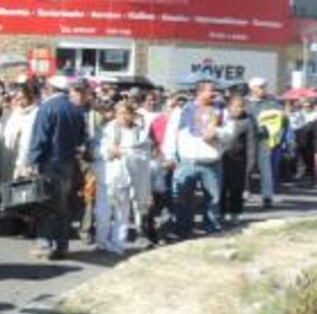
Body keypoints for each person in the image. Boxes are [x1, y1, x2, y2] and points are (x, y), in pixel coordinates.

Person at [23, 77, 88, 259]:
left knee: (46, 203)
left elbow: (40, 138)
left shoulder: (47, 107)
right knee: (62, 204)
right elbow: (81, 139)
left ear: (50, 88)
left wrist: (30, 161)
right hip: (68, 162)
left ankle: (44, 243)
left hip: (49, 162)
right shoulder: (76, 109)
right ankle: (62, 245)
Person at [162, 80, 231, 237]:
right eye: (210, 91)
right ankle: (183, 230)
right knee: (183, 199)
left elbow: (229, 134)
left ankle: (212, 229)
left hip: (211, 162)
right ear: (199, 92)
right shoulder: (182, 111)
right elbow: (171, 135)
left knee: (213, 200)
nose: (214, 94)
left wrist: (218, 134)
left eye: (214, 90)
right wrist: (170, 156)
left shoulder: (221, 112)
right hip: (187, 162)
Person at [94, 101, 151, 254]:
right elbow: (95, 150)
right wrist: (108, 152)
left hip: (126, 178)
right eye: (120, 113)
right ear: (115, 113)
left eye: (127, 113)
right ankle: (101, 241)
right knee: (102, 213)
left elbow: (144, 155)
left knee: (122, 214)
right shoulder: (106, 129)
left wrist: (125, 153)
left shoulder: (140, 133)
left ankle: (118, 243)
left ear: (133, 115)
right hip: (107, 176)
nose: (124, 117)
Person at [247, 78, 283, 208]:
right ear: (253, 89)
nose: (263, 89)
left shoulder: (272, 103)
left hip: (265, 139)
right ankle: (245, 191)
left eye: (264, 87)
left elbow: (281, 117)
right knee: (247, 166)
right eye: (260, 87)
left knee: (265, 167)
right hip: (248, 140)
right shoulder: (245, 104)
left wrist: (276, 136)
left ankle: (267, 196)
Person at [221, 94, 257, 224]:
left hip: (239, 160)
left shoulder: (247, 121)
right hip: (221, 158)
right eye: (236, 106)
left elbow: (251, 144)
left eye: (242, 107)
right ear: (229, 107)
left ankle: (235, 213)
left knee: (236, 188)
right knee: (222, 188)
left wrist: (251, 163)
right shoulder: (222, 118)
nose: (239, 109)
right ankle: (222, 213)